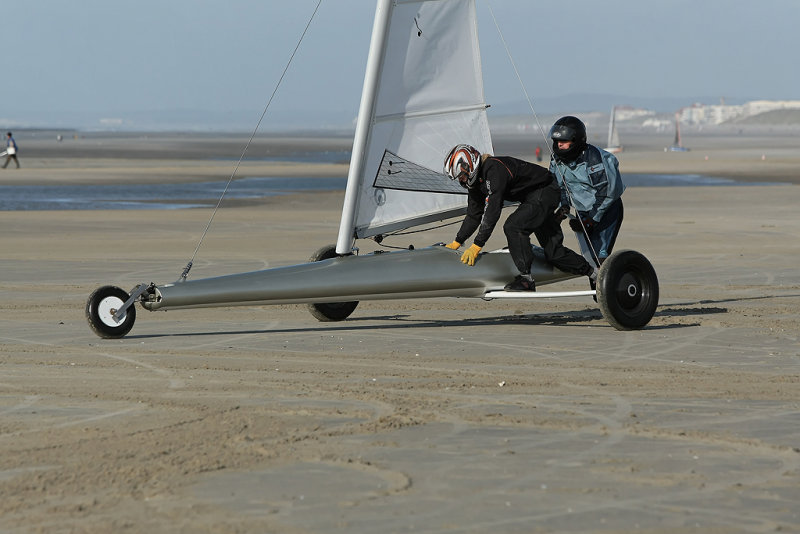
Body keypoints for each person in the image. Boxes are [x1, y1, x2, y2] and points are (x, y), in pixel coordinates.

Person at [442, 144, 597, 291]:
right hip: (533, 199)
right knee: (554, 253)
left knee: (513, 226)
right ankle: (594, 273)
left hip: (545, 190)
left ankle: (526, 279)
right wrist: (458, 241)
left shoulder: (494, 168)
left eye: (461, 176)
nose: (461, 181)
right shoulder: (474, 184)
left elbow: (492, 210)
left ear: (470, 164)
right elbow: (473, 215)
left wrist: (477, 245)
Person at [549, 116, 624, 264]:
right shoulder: (556, 159)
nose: (559, 146)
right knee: (589, 257)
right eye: (557, 142)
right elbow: (559, 186)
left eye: (564, 142)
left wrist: (591, 221)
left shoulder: (595, 159)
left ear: (577, 141)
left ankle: (608, 284)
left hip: (607, 210)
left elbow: (607, 193)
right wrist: (563, 207)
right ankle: (595, 286)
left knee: (600, 258)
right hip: (582, 210)